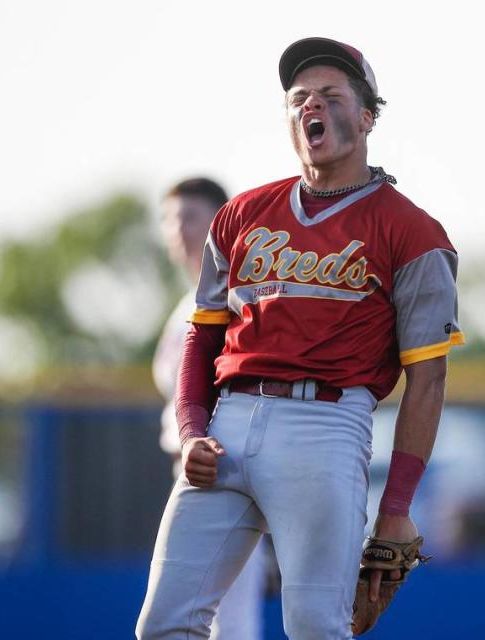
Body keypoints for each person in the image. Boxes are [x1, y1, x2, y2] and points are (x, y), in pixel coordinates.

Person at [137, 37, 465, 639]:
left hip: (326, 427)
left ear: (367, 116)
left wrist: (395, 509)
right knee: (163, 624)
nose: (312, 105)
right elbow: (201, 341)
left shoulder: (414, 232)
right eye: (300, 97)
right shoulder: (240, 216)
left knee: (315, 626)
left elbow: (429, 379)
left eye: (332, 95)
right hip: (228, 427)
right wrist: (191, 431)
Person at [151, 177, 272, 640]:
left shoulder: (236, 297)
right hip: (195, 470)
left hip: (222, 471)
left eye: (190, 217)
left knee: (226, 619)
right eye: (169, 219)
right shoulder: (188, 302)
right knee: (204, 615)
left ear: (220, 224)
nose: (178, 231)